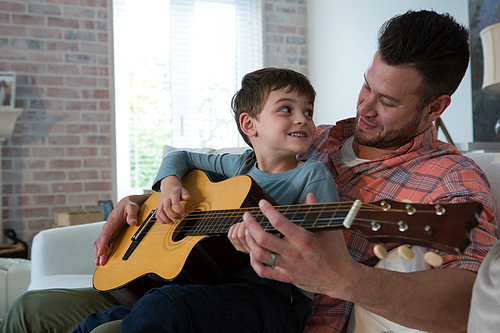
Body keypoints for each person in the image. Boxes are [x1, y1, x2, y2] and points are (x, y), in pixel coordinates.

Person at [1, 9, 497, 333]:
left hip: (266, 314)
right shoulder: (312, 135)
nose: (364, 106)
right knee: (29, 310)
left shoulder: (452, 183)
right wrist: (146, 203)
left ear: (436, 107)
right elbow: (209, 174)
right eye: (366, 85)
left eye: (386, 101)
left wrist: (344, 278)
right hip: (199, 285)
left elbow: (468, 305)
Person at [71, 67, 339, 332]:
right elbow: (180, 157)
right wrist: (169, 185)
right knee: (94, 323)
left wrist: (268, 250)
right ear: (249, 124)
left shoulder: (312, 175)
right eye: (286, 109)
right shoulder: (240, 166)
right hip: (220, 287)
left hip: (279, 300)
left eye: (308, 111)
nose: (303, 119)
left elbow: (327, 263)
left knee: (162, 306)